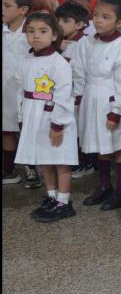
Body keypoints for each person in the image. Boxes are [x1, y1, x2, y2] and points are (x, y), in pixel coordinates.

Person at [72, 0, 121, 211]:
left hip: (112, 103)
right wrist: (79, 96)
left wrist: (116, 111)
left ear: (119, 22)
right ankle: (104, 186)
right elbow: (79, 70)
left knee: (117, 146)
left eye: (105, 17)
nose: (98, 20)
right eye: (96, 15)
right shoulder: (86, 42)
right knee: (101, 145)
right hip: (91, 99)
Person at [15, 12, 78, 221]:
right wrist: (22, 118)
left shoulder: (59, 63)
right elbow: (21, 92)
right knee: (45, 161)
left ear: (54, 35)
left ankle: (63, 202)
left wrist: (58, 124)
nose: (36, 36)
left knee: (61, 161)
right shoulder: (25, 61)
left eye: (43, 31)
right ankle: (52, 197)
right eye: (31, 31)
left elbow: (63, 96)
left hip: (54, 119)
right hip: (33, 117)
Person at [2, 0, 37, 186]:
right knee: (6, 129)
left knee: (26, 130)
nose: (2, 9)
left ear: (23, 10)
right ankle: (9, 170)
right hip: (5, 89)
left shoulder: (32, 31)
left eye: (7, 5)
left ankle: (31, 168)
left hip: (26, 90)